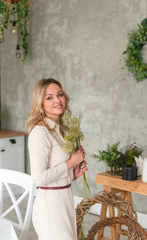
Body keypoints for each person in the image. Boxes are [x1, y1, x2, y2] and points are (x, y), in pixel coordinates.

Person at [26, 78, 88, 240]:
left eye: (59, 95)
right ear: (40, 104)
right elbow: (39, 178)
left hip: (65, 201)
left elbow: (55, 171)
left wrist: (73, 174)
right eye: (49, 97)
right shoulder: (40, 133)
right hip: (50, 208)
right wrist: (71, 162)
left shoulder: (60, 131)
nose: (57, 100)